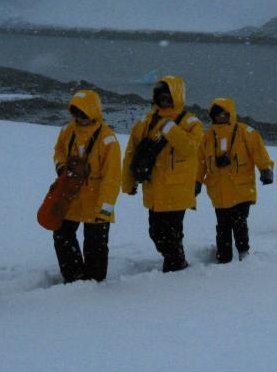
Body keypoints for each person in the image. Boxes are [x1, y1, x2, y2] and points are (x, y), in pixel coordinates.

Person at [122, 76, 203, 272]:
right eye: (161, 97)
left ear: (177, 96)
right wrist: (128, 183)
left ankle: (175, 267)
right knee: (156, 232)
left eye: (168, 97)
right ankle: (176, 261)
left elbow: (189, 149)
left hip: (178, 190)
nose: (164, 101)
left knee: (171, 233)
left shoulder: (191, 123)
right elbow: (131, 153)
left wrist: (168, 126)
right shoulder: (145, 122)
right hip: (154, 189)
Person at [51, 90, 121, 283]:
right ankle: (73, 276)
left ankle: (95, 282)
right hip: (70, 195)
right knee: (62, 235)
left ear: (93, 112)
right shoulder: (67, 131)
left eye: (83, 113)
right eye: (75, 112)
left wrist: (105, 208)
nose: (79, 118)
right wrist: (62, 168)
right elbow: (59, 151)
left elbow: (112, 177)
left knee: (95, 243)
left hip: (96, 199)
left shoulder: (107, 138)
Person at [196, 98, 274, 262]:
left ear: (230, 114)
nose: (220, 118)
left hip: (241, 190)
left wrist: (266, 169)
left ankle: (243, 254)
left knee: (239, 223)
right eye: (216, 115)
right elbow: (200, 162)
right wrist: (196, 181)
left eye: (223, 114)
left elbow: (259, 152)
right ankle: (223, 257)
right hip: (218, 191)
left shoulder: (246, 132)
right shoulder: (208, 137)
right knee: (222, 226)